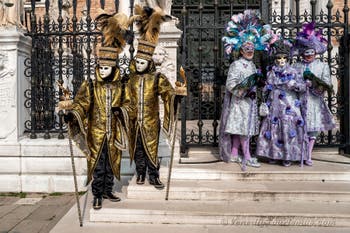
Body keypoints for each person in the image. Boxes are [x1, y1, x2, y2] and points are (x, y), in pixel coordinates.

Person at [59, 12, 134, 210]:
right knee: (98, 165)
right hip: (96, 133)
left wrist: (122, 112)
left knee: (112, 163)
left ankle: (108, 189)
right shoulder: (90, 85)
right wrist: (72, 114)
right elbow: (82, 104)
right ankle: (97, 194)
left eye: (106, 68)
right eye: (100, 68)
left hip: (114, 133)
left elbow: (128, 104)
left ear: (113, 68)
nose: (103, 71)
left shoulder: (121, 86)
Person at [128, 4, 180, 189]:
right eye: (138, 62)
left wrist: (176, 95)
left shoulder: (157, 78)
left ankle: (154, 174)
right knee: (138, 148)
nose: (140, 65)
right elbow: (124, 98)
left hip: (151, 121)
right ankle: (140, 172)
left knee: (152, 147)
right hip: (135, 121)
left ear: (148, 62)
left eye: (144, 62)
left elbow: (168, 93)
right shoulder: (131, 80)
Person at [219, 10, 267, 169]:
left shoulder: (252, 64)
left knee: (241, 129)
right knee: (242, 130)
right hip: (240, 103)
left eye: (252, 48)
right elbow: (231, 84)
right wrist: (245, 91)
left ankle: (234, 154)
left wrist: (258, 83)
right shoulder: (236, 64)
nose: (250, 51)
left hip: (250, 102)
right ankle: (246, 155)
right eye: (246, 48)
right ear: (240, 50)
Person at [256, 39, 308, 166]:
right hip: (274, 103)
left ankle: (288, 155)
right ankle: (273, 154)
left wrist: (294, 84)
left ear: (288, 58)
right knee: (273, 126)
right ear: (275, 59)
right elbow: (268, 86)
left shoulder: (294, 71)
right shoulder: (271, 72)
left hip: (289, 103)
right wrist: (266, 89)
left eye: (284, 58)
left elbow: (302, 87)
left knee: (288, 127)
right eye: (278, 58)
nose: (281, 60)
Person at [292, 22, 336, 166]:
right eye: (306, 52)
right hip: (297, 102)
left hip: (314, 102)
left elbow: (327, 83)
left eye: (311, 52)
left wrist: (315, 85)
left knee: (312, 130)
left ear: (315, 52)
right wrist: (300, 86)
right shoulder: (296, 66)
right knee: (298, 128)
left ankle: (308, 155)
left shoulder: (322, 66)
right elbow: (291, 83)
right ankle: (299, 153)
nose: (308, 55)